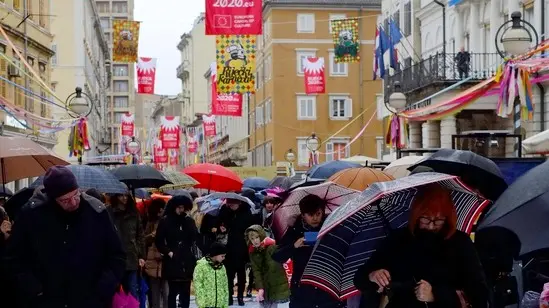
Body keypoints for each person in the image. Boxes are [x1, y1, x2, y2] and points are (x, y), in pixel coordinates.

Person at [4, 165, 126, 308]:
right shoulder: (32, 215)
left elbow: (117, 256)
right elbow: (13, 259)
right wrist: (32, 288)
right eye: (65, 200)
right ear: (53, 198)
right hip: (46, 301)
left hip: (90, 301)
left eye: (76, 195)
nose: (73, 202)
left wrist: (103, 288)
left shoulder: (96, 212)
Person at [353, 183, 490, 308]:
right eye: (426, 218)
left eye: (438, 220)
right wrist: (373, 275)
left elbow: (479, 294)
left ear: (448, 217)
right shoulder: (398, 239)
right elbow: (360, 278)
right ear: (416, 214)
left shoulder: (460, 243)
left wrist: (436, 294)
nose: (431, 226)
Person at [272, 194, 345, 308]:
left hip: (327, 288)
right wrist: (294, 246)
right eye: (310, 215)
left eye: (318, 214)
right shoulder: (294, 230)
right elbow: (277, 256)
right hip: (302, 289)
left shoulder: (332, 228)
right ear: (303, 215)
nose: (315, 218)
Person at [155, 195, 199, 308]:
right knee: (173, 291)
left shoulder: (188, 221)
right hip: (172, 259)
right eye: (179, 207)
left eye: (183, 207)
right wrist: (168, 252)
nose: (181, 210)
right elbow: (159, 241)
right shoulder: (165, 221)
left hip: (186, 258)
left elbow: (194, 238)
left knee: (185, 291)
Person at [217, 198, 255, 306]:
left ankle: (240, 296)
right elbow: (219, 224)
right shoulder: (225, 211)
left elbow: (250, 228)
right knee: (229, 274)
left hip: (242, 247)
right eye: (230, 204)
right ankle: (229, 295)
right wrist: (222, 228)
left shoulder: (246, 212)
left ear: (239, 203)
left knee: (241, 275)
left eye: (233, 204)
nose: (231, 206)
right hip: (229, 248)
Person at [110, 192, 146, 298]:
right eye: (121, 195)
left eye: (126, 195)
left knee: (133, 290)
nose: (124, 198)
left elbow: (140, 235)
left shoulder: (134, 213)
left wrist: (141, 256)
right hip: (116, 257)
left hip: (131, 256)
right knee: (116, 292)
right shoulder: (110, 212)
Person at [246, 225, 290, 308]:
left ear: (261, 236)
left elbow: (282, 258)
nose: (255, 241)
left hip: (275, 285)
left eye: (257, 237)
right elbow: (256, 271)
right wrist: (260, 288)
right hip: (264, 286)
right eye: (252, 239)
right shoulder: (253, 252)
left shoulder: (272, 247)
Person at [144, 198, 168, 308]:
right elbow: (143, 240)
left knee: (166, 292)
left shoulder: (167, 222)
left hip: (165, 260)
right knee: (154, 293)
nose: (162, 210)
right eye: (160, 208)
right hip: (152, 261)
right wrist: (152, 235)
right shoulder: (150, 223)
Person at [193, 242, 230, 308]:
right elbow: (198, 285)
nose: (224, 258)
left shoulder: (222, 267)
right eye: (222, 256)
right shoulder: (201, 266)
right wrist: (202, 304)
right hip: (206, 305)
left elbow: (225, 286)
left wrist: (225, 303)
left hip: (220, 305)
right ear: (215, 254)